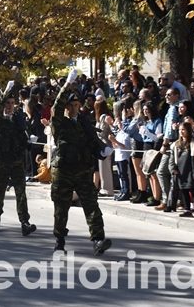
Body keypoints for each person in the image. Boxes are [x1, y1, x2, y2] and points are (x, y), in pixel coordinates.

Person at [50, 70, 111, 256]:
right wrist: (66, 86)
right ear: (66, 107)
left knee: (91, 204)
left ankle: (98, 239)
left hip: (83, 171)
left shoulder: (84, 124)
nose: (75, 108)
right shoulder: (59, 123)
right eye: (71, 105)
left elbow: (92, 141)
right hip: (63, 172)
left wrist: (101, 149)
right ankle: (59, 241)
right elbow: (57, 107)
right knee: (61, 208)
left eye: (77, 104)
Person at [0, 78, 37, 236]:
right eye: (7, 103)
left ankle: (24, 222)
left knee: (21, 192)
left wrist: (28, 141)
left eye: (11, 103)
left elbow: (23, 137)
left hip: (16, 161)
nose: (9, 106)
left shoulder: (18, 119)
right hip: (1, 161)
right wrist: (3, 95)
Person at [169, 122, 194, 219]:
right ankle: (187, 209)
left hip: (191, 170)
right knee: (184, 190)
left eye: (183, 130)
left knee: (193, 189)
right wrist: (173, 168)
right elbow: (172, 158)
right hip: (181, 170)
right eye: (180, 130)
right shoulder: (177, 144)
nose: (181, 132)